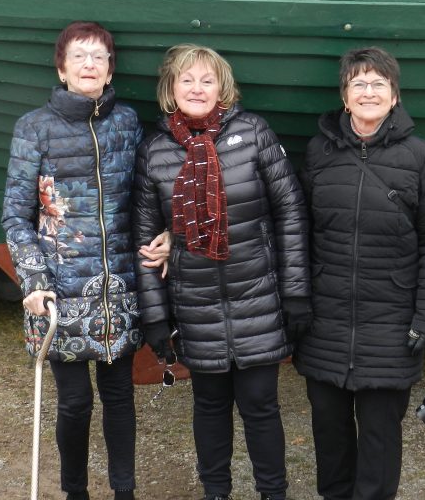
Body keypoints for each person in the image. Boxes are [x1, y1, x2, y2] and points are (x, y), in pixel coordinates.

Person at [131, 44, 310, 500]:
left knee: (260, 406)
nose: (196, 88)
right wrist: (155, 316)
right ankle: (217, 493)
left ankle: (273, 493)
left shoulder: (252, 133)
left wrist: (294, 292)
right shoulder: (154, 152)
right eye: (186, 80)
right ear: (170, 90)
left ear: (222, 88)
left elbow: (290, 211)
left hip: (259, 297)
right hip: (196, 304)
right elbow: (147, 243)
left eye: (206, 80)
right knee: (209, 407)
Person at [2, 21, 169, 500]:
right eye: (79, 56)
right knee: (75, 403)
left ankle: (124, 493)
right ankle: (75, 492)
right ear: (62, 67)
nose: (90, 64)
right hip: (58, 291)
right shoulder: (34, 128)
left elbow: (148, 196)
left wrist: (169, 235)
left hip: (117, 286)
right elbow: (16, 215)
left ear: (110, 67)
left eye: (99, 56)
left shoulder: (128, 123)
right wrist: (32, 279)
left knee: (119, 398)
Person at [294, 47, 425, 500]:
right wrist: (297, 302)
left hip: (391, 323)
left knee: (381, 437)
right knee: (329, 432)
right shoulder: (319, 152)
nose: (368, 92)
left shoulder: (423, 159)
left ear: (394, 96)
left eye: (378, 84)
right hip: (325, 322)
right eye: (358, 84)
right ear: (345, 97)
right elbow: (300, 231)